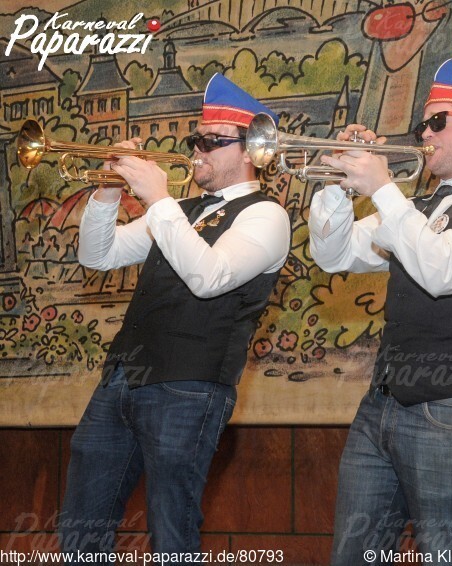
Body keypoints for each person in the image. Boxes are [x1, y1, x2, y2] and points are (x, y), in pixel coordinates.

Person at [309, 59, 452, 565]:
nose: (424, 134)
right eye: (422, 126)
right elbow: (333, 255)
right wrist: (336, 183)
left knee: (444, 557)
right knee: (353, 555)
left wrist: (383, 190)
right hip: (380, 406)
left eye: (437, 122)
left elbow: (443, 272)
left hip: (448, 412)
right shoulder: (417, 209)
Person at [60, 74, 291, 563]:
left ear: (250, 151)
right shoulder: (181, 209)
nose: (197, 151)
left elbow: (209, 278)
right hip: (123, 378)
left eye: (212, 141)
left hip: (189, 387)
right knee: (80, 525)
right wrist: (108, 190)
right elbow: (97, 256)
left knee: (171, 532)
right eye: (195, 140)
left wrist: (159, 199)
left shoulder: (266, 215)